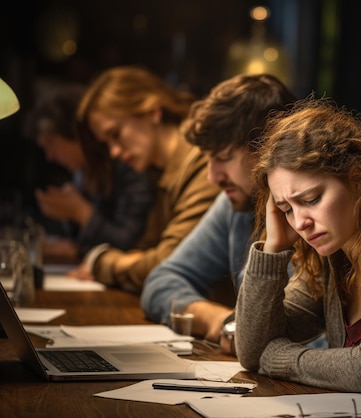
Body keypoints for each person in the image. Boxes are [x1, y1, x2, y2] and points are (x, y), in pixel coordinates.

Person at [234, 98, 361, 393]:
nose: (299, 222)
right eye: (286, 208)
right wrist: (273, 247)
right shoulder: (331, 257)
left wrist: (275, 357)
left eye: (310, 200)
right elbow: (251, 350)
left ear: (357, 180)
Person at [140, 73, 297, 348]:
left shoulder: (313, 219)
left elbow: (316, 338)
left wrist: (244, 331)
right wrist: (222, 321)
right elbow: (161, 281)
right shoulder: (234, 207)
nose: (213, 176)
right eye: (208, 160)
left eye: (223, 159)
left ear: (270, 148)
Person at [73, 66, 220, 293]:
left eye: (115, 134)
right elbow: (147, 252)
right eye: (107, 143)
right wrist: (135, 260)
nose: (114, 152)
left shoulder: (205, 162)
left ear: (152, 111)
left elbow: (167, 263)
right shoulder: (158, 171)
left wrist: (101, 262)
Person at [31, 85, 154, 262]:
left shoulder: (126, 163)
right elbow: (88, 245)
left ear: (76, 135)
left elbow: (132, 245)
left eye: (52, 144)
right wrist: (77, 248)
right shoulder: (82, 175)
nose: (49, 156)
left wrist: (81, 213)